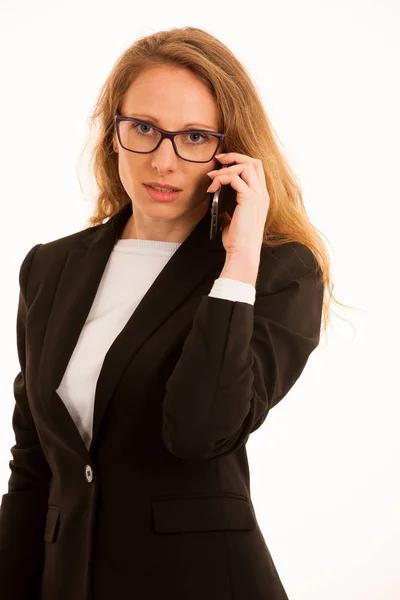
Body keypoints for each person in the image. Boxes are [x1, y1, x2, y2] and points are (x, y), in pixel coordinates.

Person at [0, 26, 331, 600]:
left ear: (231, 150)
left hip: (198, 580)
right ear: (114, 132)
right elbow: (35, 465)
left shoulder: (278, 272)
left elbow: (201, 432)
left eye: (195, 137)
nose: (164, 160)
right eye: (145, 129)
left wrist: (239, 261)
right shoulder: (51, 268)